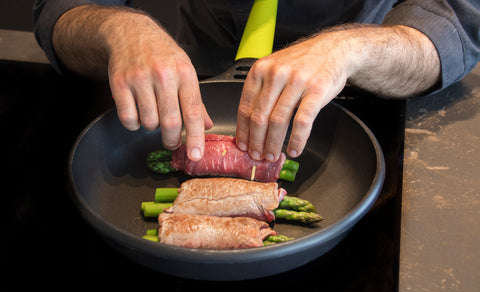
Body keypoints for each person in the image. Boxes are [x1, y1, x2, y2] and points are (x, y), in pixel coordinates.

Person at [33, 0, 480, 162]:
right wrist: (118, 28)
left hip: (364, 87)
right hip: (200, 74)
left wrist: (349, 51)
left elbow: (455, 24)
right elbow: (61, 9)